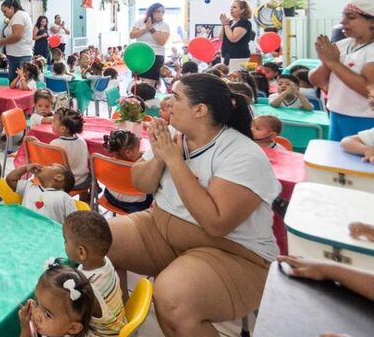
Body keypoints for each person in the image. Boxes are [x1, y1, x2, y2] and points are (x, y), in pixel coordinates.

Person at [109, 73, 280, 336]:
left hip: (233, 253)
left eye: (176, 97)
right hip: (160, 229)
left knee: (173, 299)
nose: (168, 102)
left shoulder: (242, 153)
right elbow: (140, 182)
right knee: (98, 238)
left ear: (199, 110)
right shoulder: (175, 136)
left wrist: (175, 162)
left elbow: (215, 223)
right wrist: (160, 159)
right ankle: (115, 327)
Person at [309, 0, 374, 140]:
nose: (343, 21)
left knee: (360, 160)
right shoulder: (342, 45)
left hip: (365, 119)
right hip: (336, 113)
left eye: (351, 17)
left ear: (372, 21)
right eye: (343, 16)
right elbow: (316, 80)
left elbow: (368, 90)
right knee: (337, 159)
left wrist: (334, 63)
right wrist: (326, 62)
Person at [63, 211, 128, 335]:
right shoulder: (105, 261)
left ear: (81, 252)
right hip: (117, 323)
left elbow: (72, 315)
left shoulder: (86, 287)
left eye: (66, 240)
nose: (64, 244)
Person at [18, 259, 98, 337]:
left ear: (73, 328)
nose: (36, 315)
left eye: (47, 315)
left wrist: (26, 330)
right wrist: (27, 326)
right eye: (37, 302)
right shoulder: (54, 330)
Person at [5, 163, 77, 224]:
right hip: (24, 230)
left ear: (59, 177)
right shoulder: (28, 186)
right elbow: (10, 179)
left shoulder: (65, 198)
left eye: (50, 165)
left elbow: (74, 223)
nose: (43, 166)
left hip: (47, 236)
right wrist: (25, 168)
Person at [102, 130, 152, 213]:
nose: (139, 152)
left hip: (110, 197)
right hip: (134, 205)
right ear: (128, 152)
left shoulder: (107, 162)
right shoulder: (140, 168)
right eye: (138, 150)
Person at [47, 108, 90, 192]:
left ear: (63, 129)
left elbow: (49, 165)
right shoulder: (82, 141)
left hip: (65, 183)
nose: (51, 123)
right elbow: (87, 160)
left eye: (54, 121)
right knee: (90, 176)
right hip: (82, 181)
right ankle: (84, 201)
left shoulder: (55, 144)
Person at [129, 3, 170, 85]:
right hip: (141, 55)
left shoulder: (165, 26)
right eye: (158, 11)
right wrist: (146, 28)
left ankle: (149, 96)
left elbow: (162, 42)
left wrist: (151, 29)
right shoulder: (140, 22)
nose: (161, 14)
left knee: (150, 82)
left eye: (163, 12)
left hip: (156, 55)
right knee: (139, 82)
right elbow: (132, 35)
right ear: (151, 12)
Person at [0, 0, 34, 83]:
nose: (4, 14)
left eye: (5, 11)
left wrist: (2, 42)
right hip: (16, 55)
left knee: (19, 84)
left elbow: (17, 36)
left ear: (12, 8)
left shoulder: (19, 16)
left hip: (20, 55)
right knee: (14, 83)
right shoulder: (16, 17)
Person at [219, 0, 254, 70]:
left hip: (238, 57)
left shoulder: (244, 22)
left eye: (234, 7)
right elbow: (221, 38)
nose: (231, 9)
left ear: (242, 10)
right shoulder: (230, 22)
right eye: (231, 7)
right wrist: (224, 25)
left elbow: (233, 38)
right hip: (226, 56)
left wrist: (226, 24)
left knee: (234, 78)